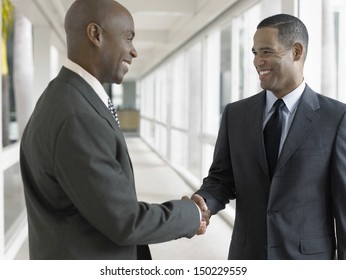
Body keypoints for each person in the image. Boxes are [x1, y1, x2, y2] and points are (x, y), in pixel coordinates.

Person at [20, 0, 209, 260]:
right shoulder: (77, 116)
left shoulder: (64, 96)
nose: (134, 52)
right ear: (95, 34)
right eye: (129, 38)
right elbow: (125, 221)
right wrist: (191, 214)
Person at [191, 13, 346, 259]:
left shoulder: (337, 117)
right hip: (247, 255)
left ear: (296, 52)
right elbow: (221, 179)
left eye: (266, 52)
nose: (257, 62)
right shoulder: (236, 114)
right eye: (254, 53)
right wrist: (204, 201)